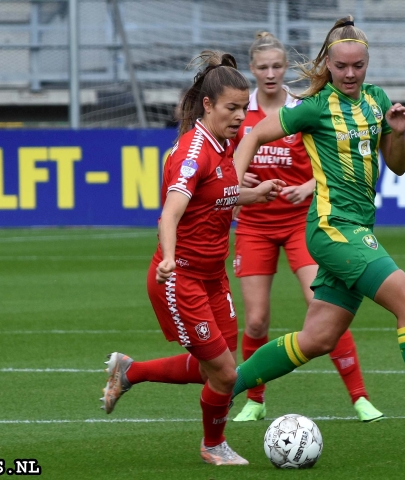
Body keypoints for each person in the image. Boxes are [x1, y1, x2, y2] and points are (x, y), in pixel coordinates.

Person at [229, 16, 405, 439]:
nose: (350, 74)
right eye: (341, 67)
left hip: (355, 228)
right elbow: (254, 135)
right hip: (334, 229)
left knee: (317, 339)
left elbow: (399, 166)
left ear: (368, 63)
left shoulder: (376, 100)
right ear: (327, 65)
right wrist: (232, 183)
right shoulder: (313, 107)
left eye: (358, 66)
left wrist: (399, 134)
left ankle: (225, 385)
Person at [99, 50, 283, 466]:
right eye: (232, 109)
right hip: (178, 278)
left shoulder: (225, 143)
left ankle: (130, 371)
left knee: (216, 369)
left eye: (244, 108)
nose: (240, 117)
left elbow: (216, 198)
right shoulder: (192, 153)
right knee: (224, 373)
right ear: (208, 105)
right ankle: (212, 445)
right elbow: (171, 212)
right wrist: (167, 257)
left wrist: (252, 194)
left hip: (213, 276)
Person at [231, 31, 384, 423]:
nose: (270, 73)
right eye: (262, 67)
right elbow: (224, 159)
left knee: (323, 308)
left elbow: (334, 164)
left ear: (285, 69)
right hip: (254, 226)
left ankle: (359, 397)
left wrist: (306, 186)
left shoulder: (307, 106)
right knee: (256, 320)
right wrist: (238, 182)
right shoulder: (240, 113)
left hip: (303, 221)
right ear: (252, 69)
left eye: (276, 66)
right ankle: (255, 399)